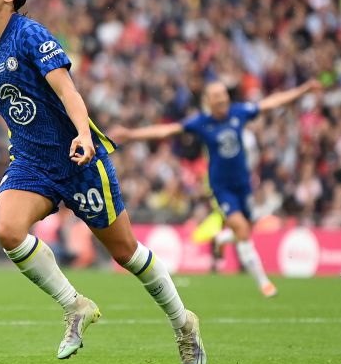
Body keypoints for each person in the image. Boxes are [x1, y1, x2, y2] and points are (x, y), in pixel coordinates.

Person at [0, 0, 206, 364]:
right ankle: (75, 305)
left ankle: (182, 322)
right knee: (8, 231)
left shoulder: (30, 34)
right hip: (30, 162)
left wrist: (83, 135)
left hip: (78, 158)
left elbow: (68, 90)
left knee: (126, 254)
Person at [110, 79, 321, 297]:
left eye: (224, 94)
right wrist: (131, 135)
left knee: (246, 228)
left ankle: (221, 238)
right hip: (221, 188)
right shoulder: (201, 123)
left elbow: (271, 103)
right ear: (208, 101)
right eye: (216, 96)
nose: (222, 99)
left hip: (244, 185)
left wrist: (303, 89)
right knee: (241, 229)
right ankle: (264, 284)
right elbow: (167, 131)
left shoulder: (239, 112)